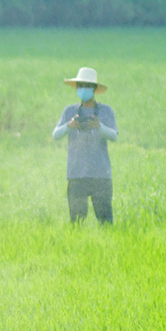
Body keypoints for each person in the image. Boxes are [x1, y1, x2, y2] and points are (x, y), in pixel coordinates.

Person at [52, 67, 118, 224]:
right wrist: (70, 126)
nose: (83, 89)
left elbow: (114, 135)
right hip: (76, 173)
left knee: (105, 221)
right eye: (81, 86)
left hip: (100, 174)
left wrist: (99, 126)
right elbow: (55, 135)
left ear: (94, 89)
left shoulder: (105, 111)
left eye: (87, 86)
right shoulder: (70, 111)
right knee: (76, 222)